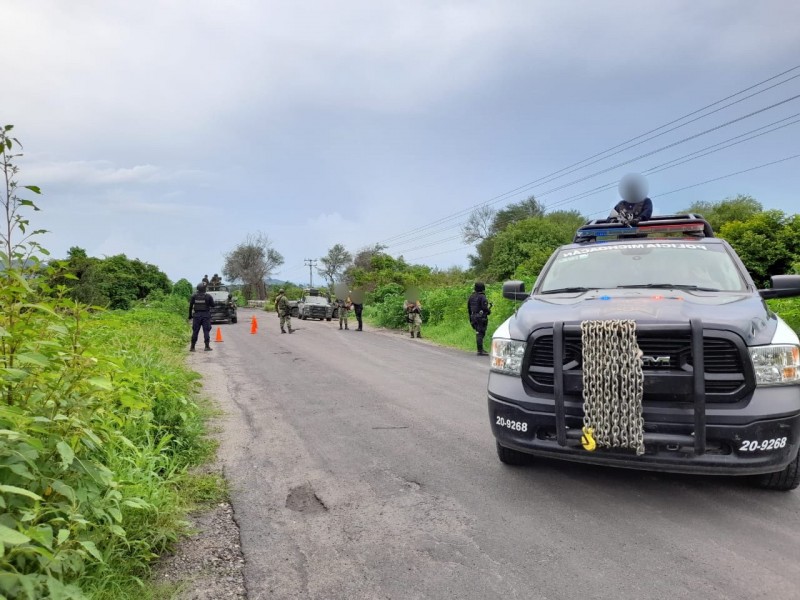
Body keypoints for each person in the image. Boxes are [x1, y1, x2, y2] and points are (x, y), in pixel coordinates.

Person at [189, 282, 215, 351]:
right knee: (206, 331)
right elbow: (213, 305)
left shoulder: (194, 296)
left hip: (196, 316)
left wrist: (190, 315)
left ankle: (192, 347)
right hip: (206, 316)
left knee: (195, 331)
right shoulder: (208, 296)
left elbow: (190, 306)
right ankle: (207, 347)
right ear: (204, 289)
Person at [468, 282, 492, 356]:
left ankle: (480, 349)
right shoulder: (482, 297)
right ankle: (480, 350)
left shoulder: (471, 296)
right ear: (483, 288)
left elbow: (469, 308)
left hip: (473, 317)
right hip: (480, 318)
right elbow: (484, 307)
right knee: (481, 333)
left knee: (478, 332)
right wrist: (489, 311)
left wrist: (470, 318)